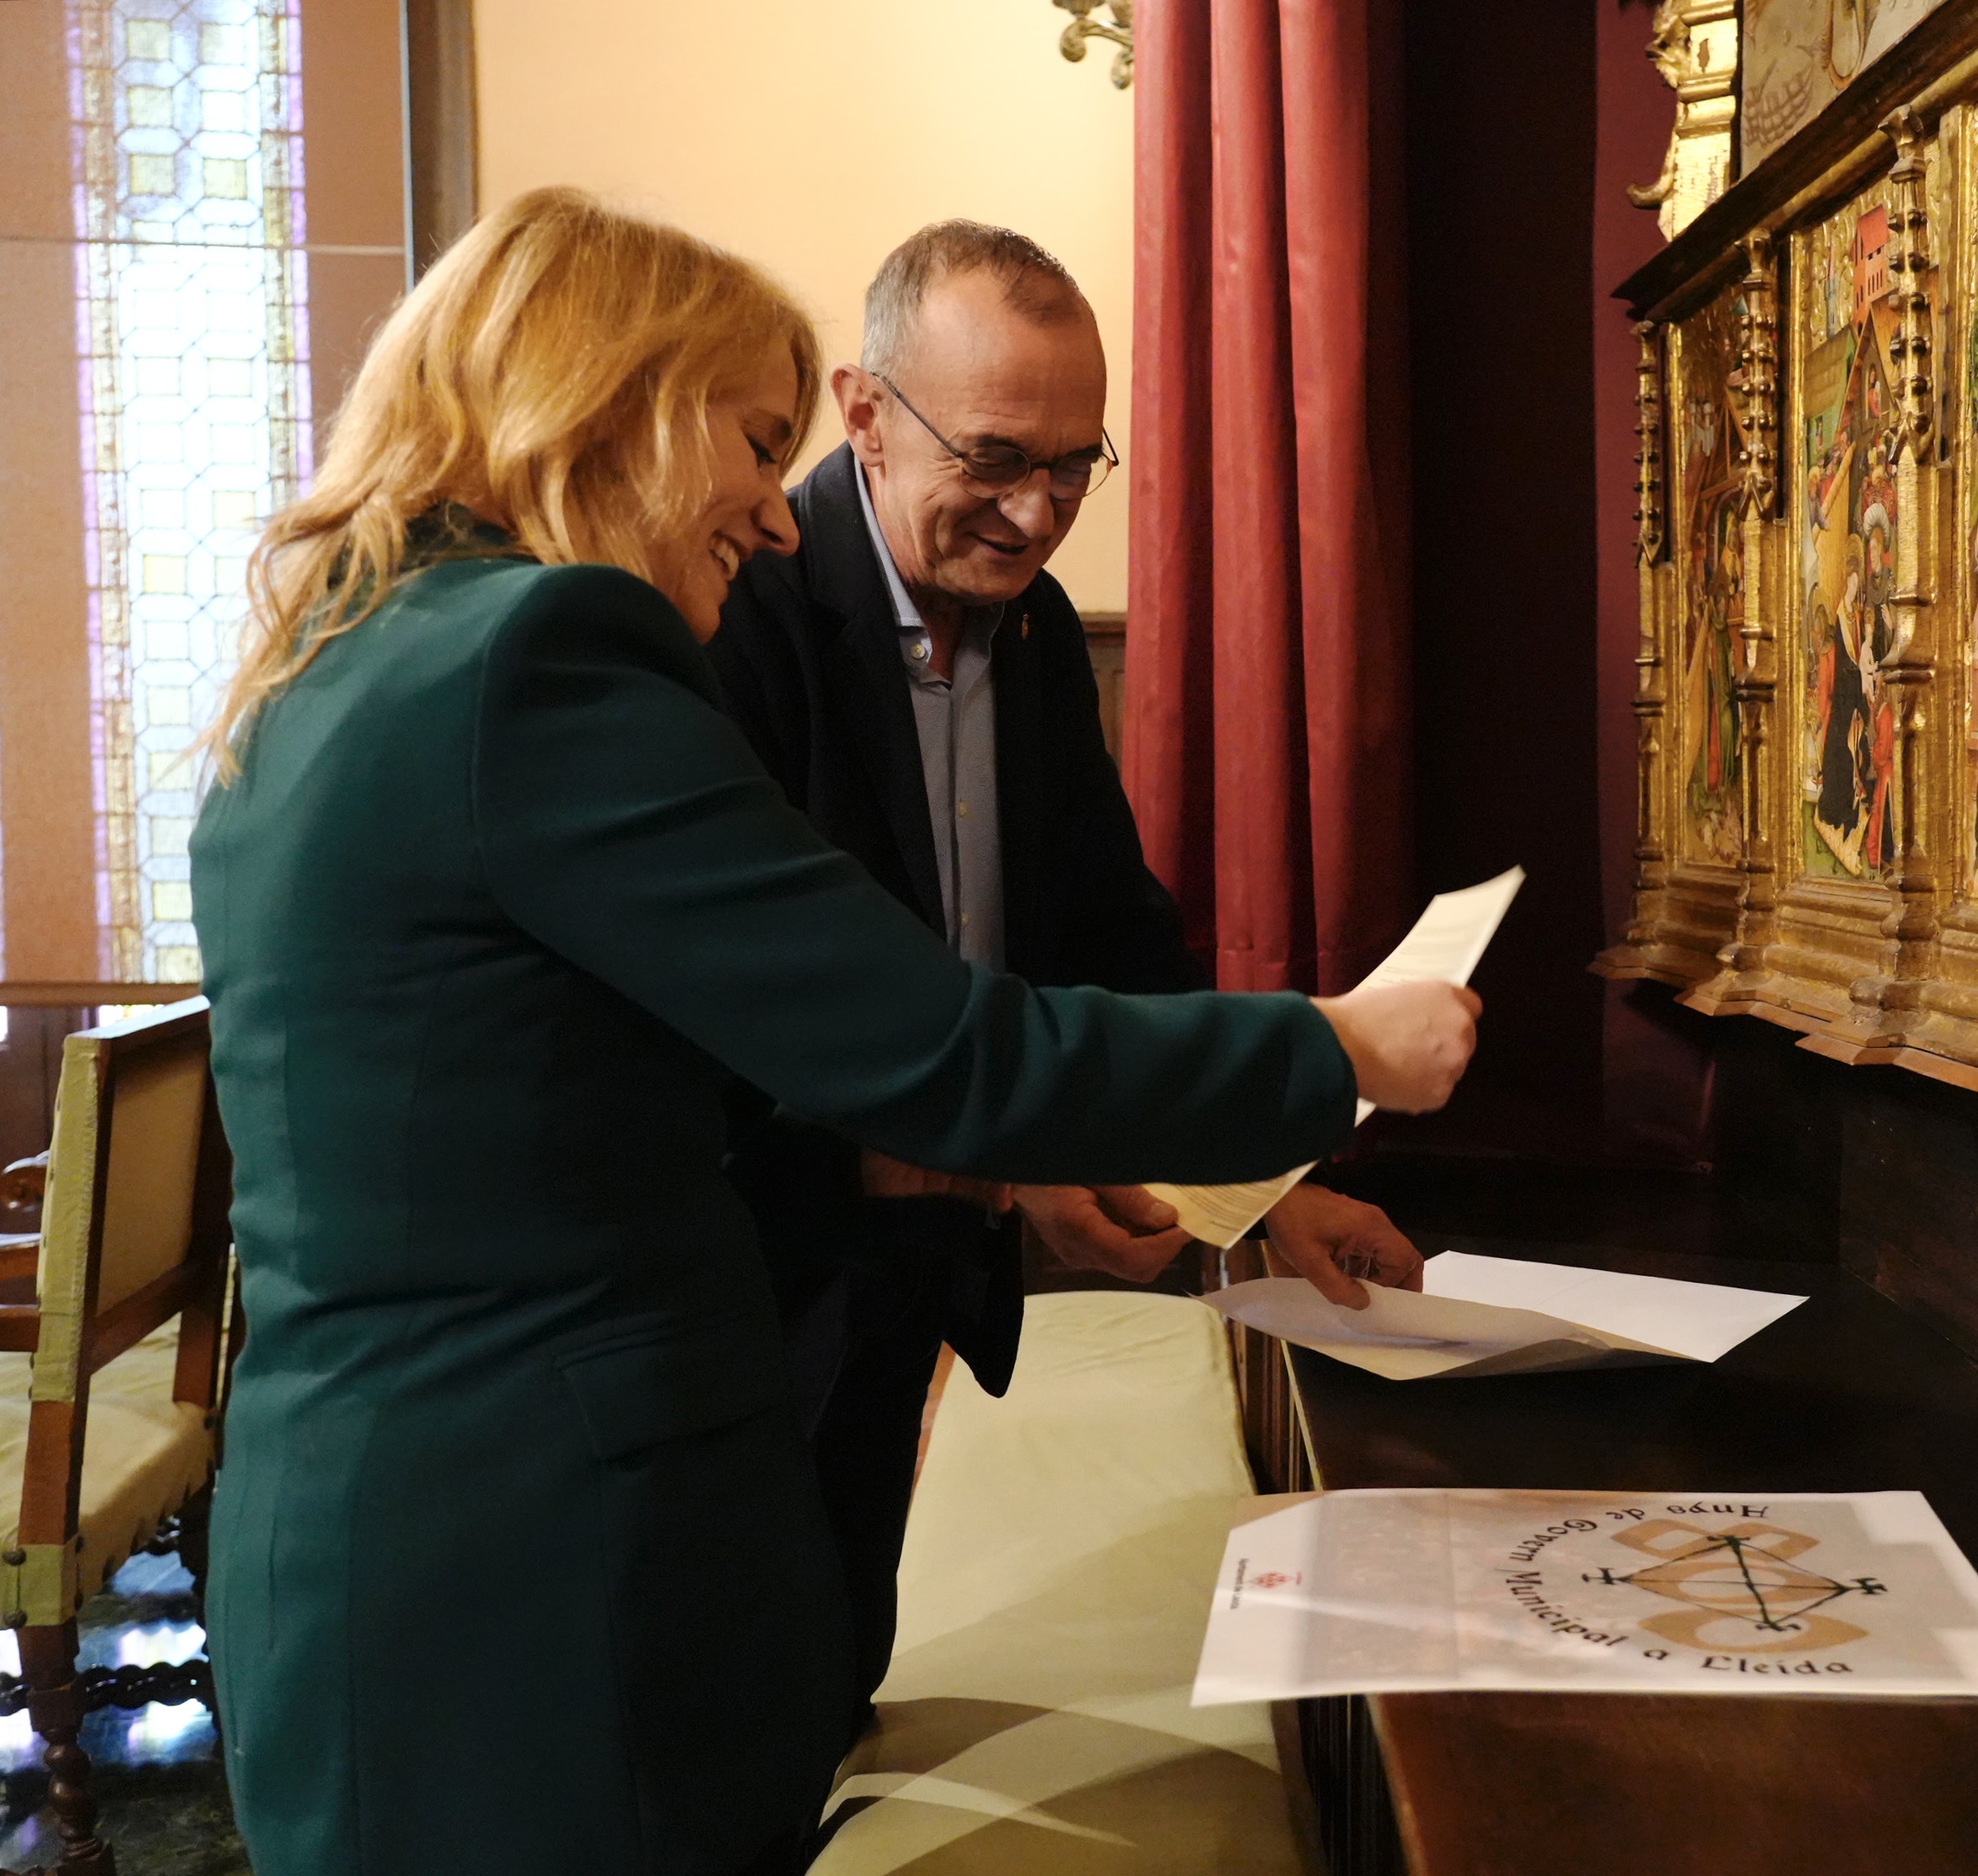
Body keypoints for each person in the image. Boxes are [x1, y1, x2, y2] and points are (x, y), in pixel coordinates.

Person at [184, 189, 1478, 1876]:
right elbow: (934, 1049)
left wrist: (1210, 1176)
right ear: (611, 403)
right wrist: (1337, 1049)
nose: (772, 510)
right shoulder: (546, 654)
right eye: (748, 440)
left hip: (393, 1510)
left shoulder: (346, 657)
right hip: (534, 1546)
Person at [705, 221, 1426, 1733]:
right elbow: (746, 1024)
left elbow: (1114, 942)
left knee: (838, 1676)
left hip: (915, 1268)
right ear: (863, 413)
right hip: (750, 1276)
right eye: (993, 458)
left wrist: (1264, 1191)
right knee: (742, 1719)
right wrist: (1013, 1165)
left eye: (1074, 465)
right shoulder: (743, 607)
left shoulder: (1027, 629)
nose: (1036, 514)